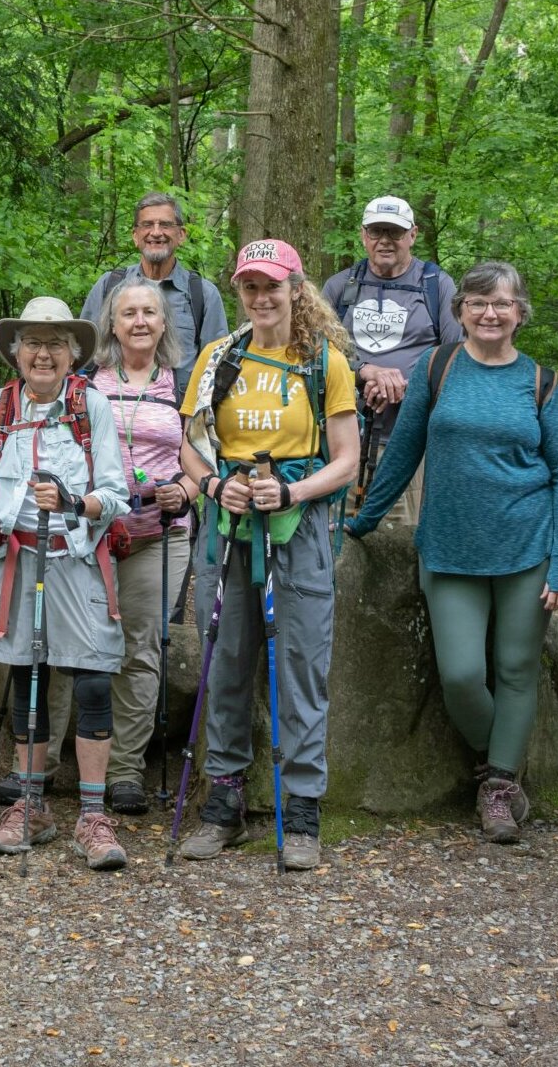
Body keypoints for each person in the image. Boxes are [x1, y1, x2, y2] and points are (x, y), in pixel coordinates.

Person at [346, 261, 558, 844]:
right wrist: (364, 521)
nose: (489, 313)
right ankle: (505, 756)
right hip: (449, 548)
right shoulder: (437, 367)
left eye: (501, 303)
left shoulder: (541, 383)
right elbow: (404, 450)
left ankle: (498, 785)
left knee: (517, 669)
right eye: (477, 303)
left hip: (526, 546)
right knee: (462, 675)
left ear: (520, 312)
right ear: (461, 311)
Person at [175, 239, 359, 871]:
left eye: (272, 285)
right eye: (250, 286)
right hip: (227, 527)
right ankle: (223, 802)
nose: (261, 297)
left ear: (295, 289)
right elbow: (189, 445)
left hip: (298, 529)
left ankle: (302, 809)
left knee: (302, 666)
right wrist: (211, 484)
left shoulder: (325, 362)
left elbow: (347, 459)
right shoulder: (218, 357)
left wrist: (292, 491)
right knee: (225, 660)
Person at [0, 297, 134, 869]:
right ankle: (31, 806)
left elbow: (117, 494)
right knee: (26, 681)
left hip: (76, 559)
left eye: (55, 344)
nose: (43, 354)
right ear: (16, 353)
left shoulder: (91, 406)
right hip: (17, 560)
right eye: (33, 342)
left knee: (92, 681)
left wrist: (74, 501)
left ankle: (92, 816)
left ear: (72, 354)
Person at [84, 280, 193, 815]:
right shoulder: (87, 381)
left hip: (159, 534)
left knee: (140, 649)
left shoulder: (184, 384)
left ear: (164, 322)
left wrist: (185, 491)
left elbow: (203, 461)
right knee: (81, 646)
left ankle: (126, 770)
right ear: (112, 323)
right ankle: (62, 764)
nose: (140, 321)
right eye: (129, 313)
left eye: (150, 311)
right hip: (92, 535)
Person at [321, 195, 459, 528]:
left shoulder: (436, 286)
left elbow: (456, 358)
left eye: (394, 232)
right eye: (376, 231)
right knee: (335, 536)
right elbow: (314, 352)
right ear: (363, 235)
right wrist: (364, 371)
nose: (385, 240)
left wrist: (406, 386)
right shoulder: (339, 287)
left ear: (413, 235)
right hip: (342, 442)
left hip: (409, 443)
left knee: (399, 538)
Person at [80, 192, 228, 385]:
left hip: (181, 403)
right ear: (135, 236)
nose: (156, 232)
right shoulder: (110, 286)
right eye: (147, 225)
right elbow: (82, 356)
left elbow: (216, 367)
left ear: (181, 235)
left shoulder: (203, 294)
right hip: (113, 401)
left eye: (165, 225)